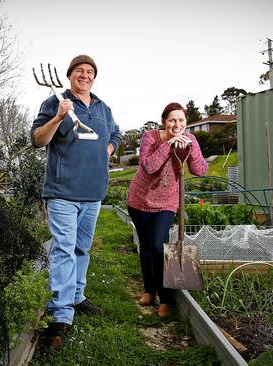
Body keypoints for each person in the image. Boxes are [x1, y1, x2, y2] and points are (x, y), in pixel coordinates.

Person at [30, 54, 121, 349]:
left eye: (90, 71)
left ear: (94, 77)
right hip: (62, 192)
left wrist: (107, 149)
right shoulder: (55, 102)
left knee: (82, 248)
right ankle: (60, 314)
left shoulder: (103, 108)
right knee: (64, 250)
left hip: (93, 192)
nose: (85, 75)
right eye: (79, 71)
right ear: (70, 76)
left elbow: (117, 133)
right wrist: (58, 117)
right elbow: (37, 139)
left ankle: (77, 296)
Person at [127, 102, 207, 318]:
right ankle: (149, 290)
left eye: (181, 120)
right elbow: (149, 166)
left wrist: (190, 150)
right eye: (172, 120)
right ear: (164, 121)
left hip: (166, 202)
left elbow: (199, 170)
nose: (177, 124)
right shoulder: (150, 137)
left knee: (158, 247)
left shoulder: (190, 140)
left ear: (186, 122)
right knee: (145, 248)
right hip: (139, 199)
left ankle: (166, 298)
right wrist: (169, 144)